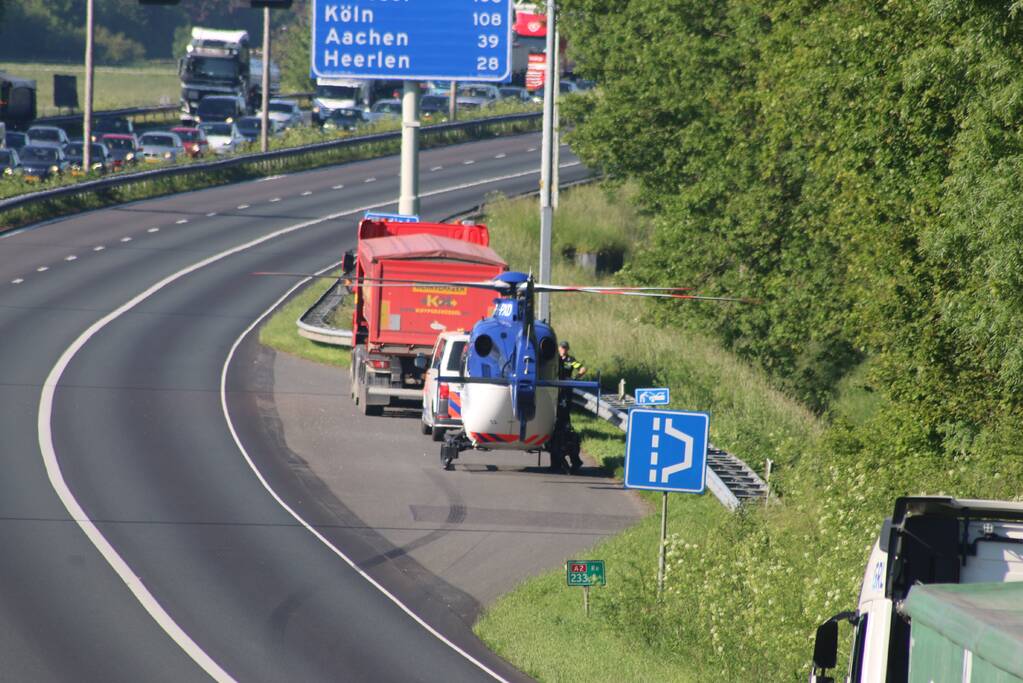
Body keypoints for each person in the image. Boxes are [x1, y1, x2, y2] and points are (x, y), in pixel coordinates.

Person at [551, 340, 586, 473]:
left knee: (563, 419)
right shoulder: (555, 359)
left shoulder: (570, 360)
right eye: (562, 348)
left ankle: (564, 461)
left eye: (565, 348)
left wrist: (576, 378)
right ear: (558, 348)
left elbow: (582, 368)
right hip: (555, 388)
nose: (563, 350)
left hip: (566, 391)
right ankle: (557, 463)